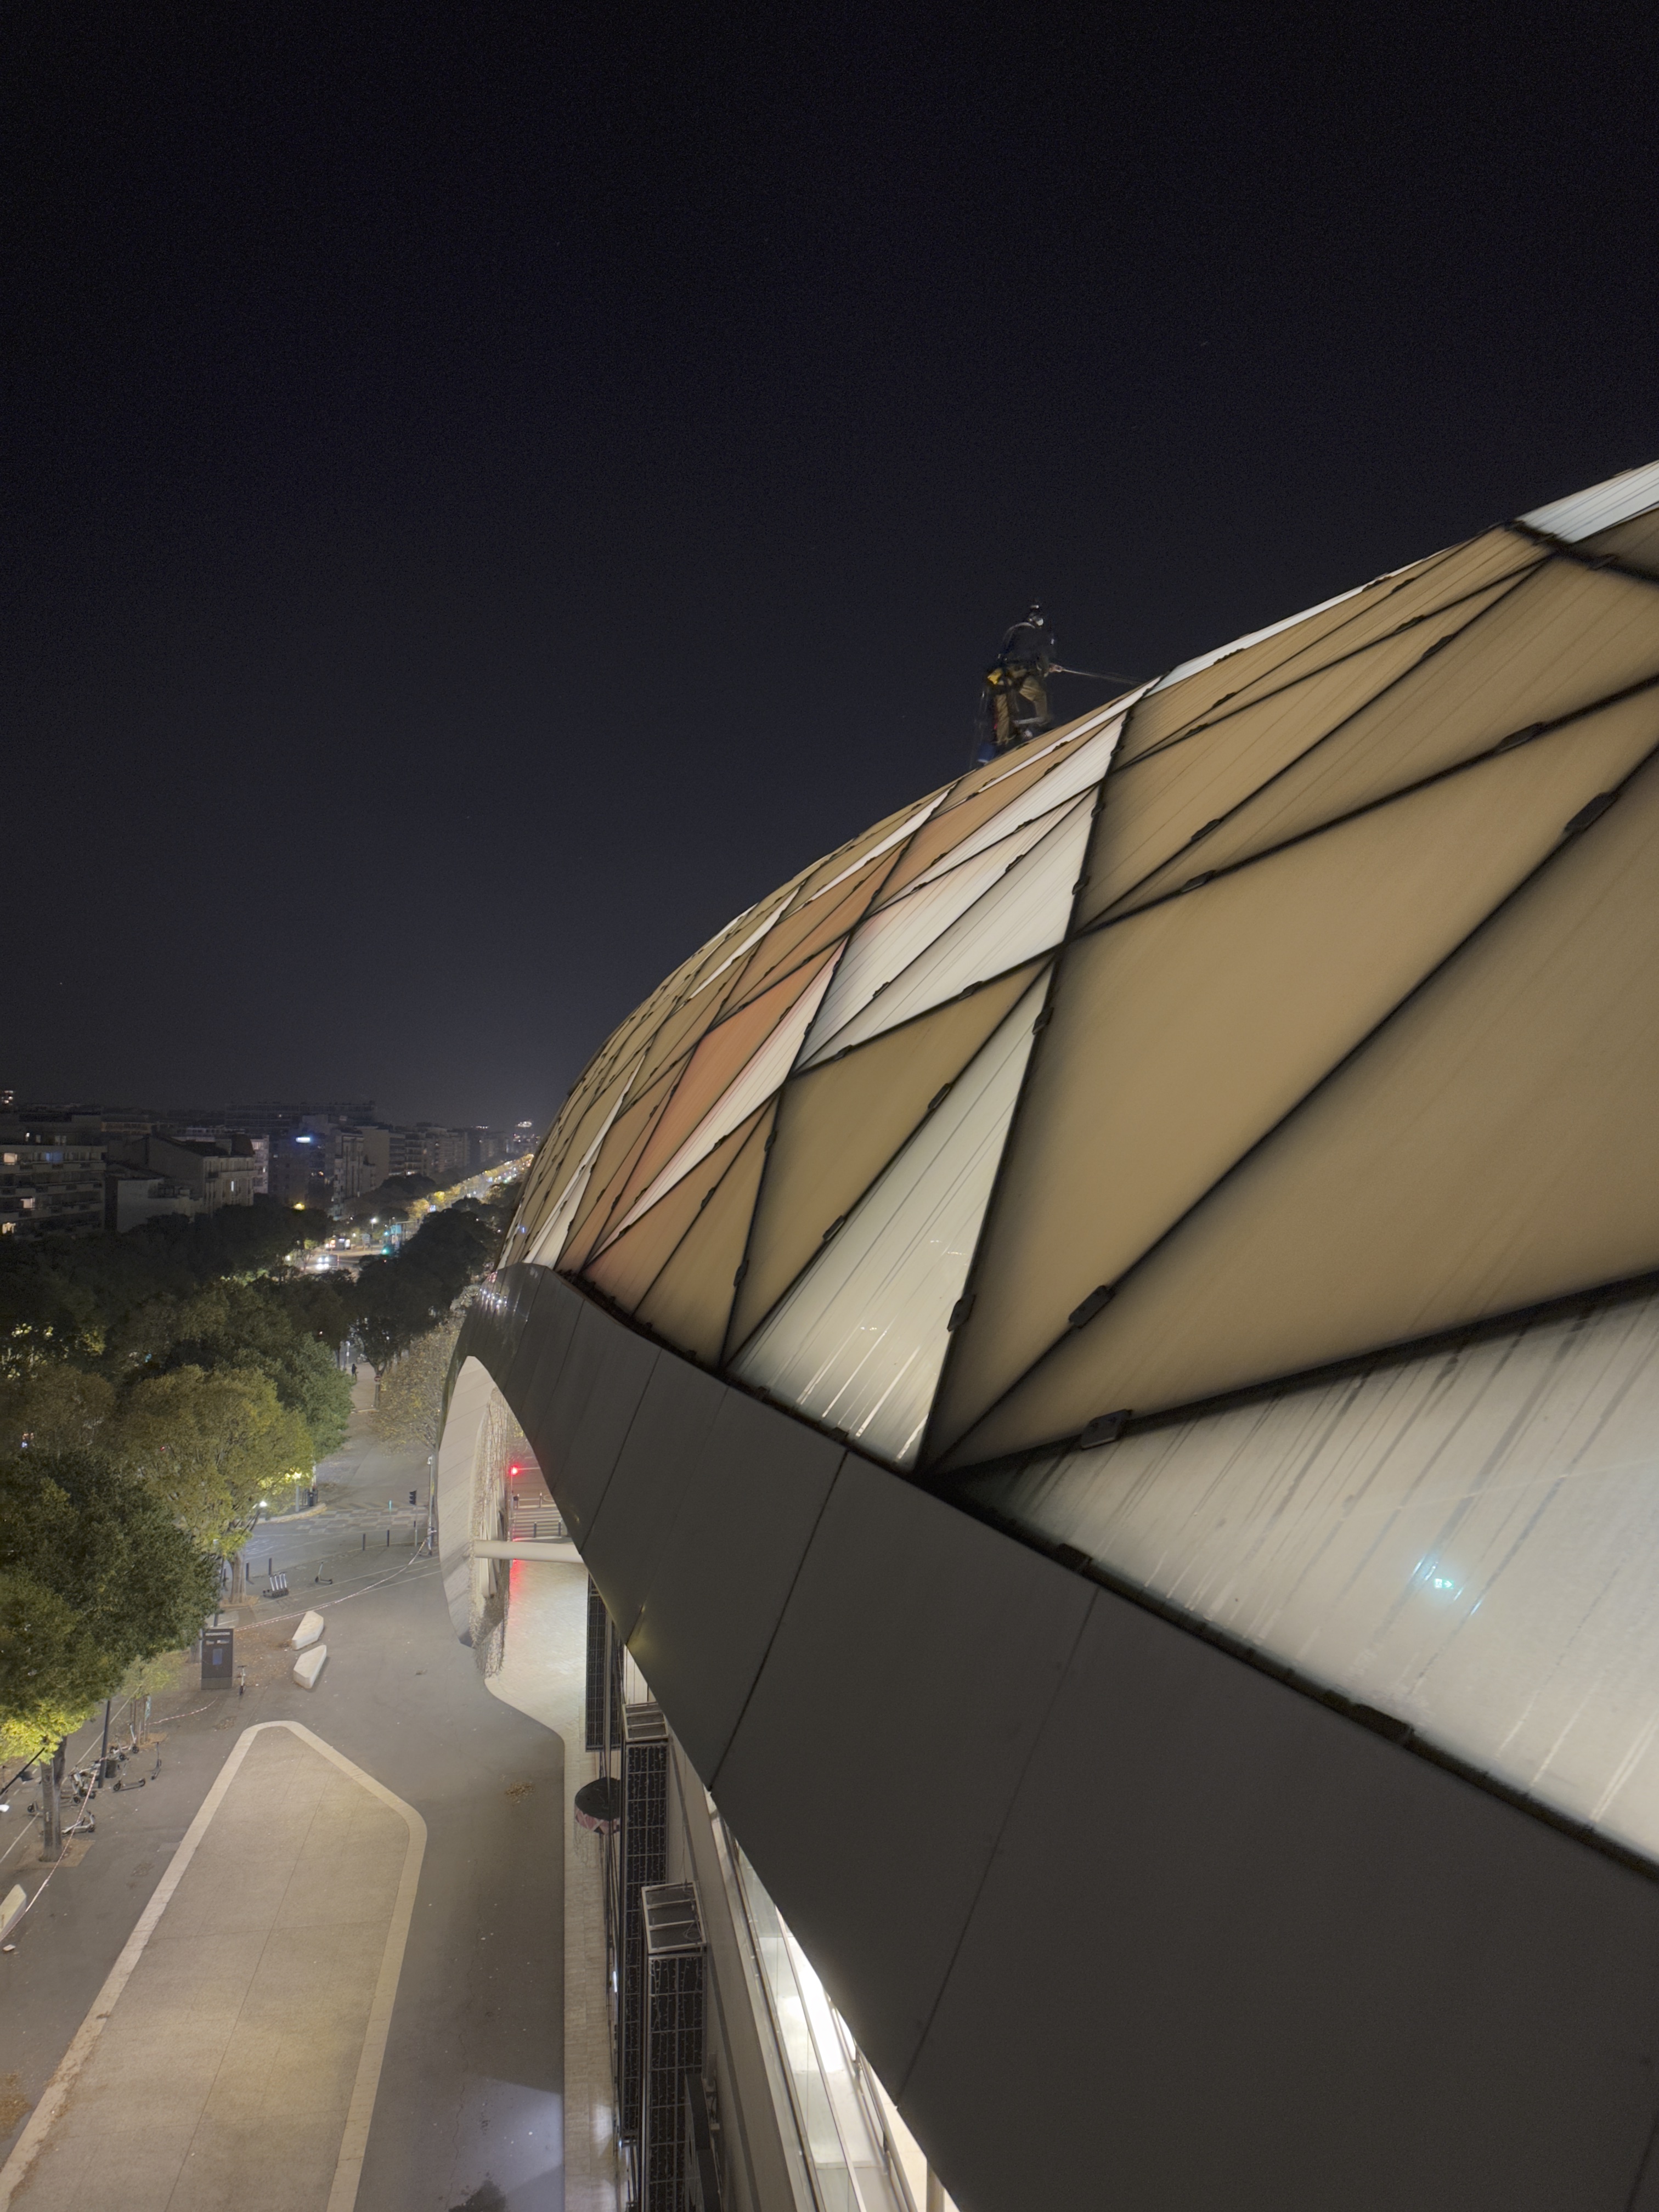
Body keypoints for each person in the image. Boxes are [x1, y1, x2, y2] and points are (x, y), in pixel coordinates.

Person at [974, 604, 1057, 765]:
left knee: (1004, 713)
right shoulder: (1033, 634)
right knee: (1039, 695)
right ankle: (1043, 723)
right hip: (1019, 673)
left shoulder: (1014, 633)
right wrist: (1047, 668)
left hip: (1001, 677)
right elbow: (1042, 656)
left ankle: (1002, 745)